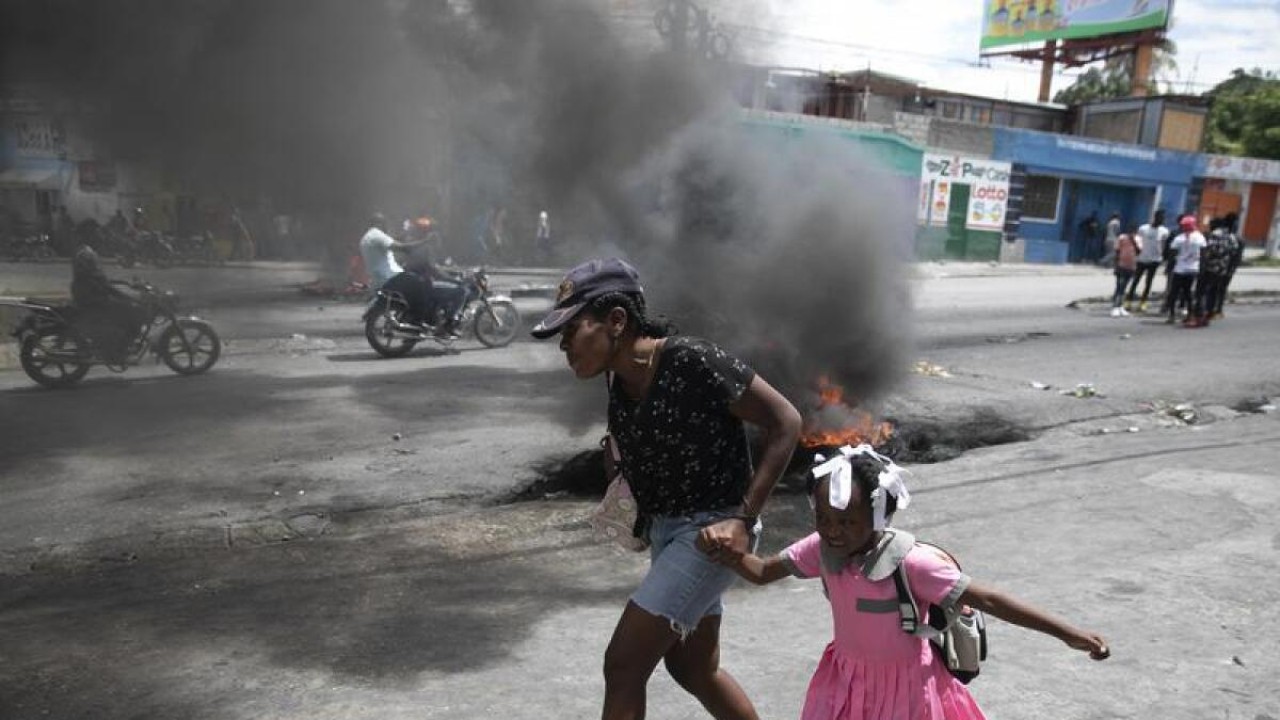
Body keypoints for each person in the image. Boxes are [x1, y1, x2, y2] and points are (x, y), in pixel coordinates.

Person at [530, 257, 803, 720]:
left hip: (711, 537)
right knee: (693, 667)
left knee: (623, 664)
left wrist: (742, 518)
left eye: (572, 330)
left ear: (616, 320)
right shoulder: (619, 381)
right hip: (668, 534)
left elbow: (786, 422)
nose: (565, 346)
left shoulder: (691, 360)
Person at [706, 445, 1110, 720]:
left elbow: (990, 599)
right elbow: (760, 573)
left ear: (880, 516)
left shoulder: (912, 563)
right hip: (846, 681)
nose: (833, 531)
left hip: (907, 689)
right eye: (824, 519)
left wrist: (1068, 634)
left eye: (847, 520)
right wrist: (725, 549)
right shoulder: (821, 550)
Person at [69, 245, 149, 363]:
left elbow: (106, 284)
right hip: (96, 306)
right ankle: (120, 350)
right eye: (92, 260)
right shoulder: (89, 276)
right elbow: (110, 289)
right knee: (132, 312)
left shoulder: (85, 275)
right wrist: (131, 298)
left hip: (92, 305)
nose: (95, 263)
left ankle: (119, 347)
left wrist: (124, 283)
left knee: (123, 308)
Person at [400, 216, 468, 338]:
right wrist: (452, 279)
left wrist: (449, 273)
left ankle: (438, 317)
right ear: (428, 233)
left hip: (415, 284)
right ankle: (448, 324)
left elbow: (433, 267)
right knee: (461, 291)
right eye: (433, 231)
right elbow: (434, 270)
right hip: (425, 285)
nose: (436, 234)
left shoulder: (413, 244)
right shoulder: (426, 247)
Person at [1167, 215, 1206, 326]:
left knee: (1174, 293)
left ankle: (1172, 315)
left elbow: (1172, 254)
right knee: (1189, 294)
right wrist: (1202, 269)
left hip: (1179, 269)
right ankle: (1190, 315)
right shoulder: (1200, 237)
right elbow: (1204, 255)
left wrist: (1169, 268)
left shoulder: (1179, 238)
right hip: (1193, 269)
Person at [1127, 210, 1167, 312]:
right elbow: (1137, 241)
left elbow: (1164, 244)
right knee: (1136, 280)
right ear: (1155, 217)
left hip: (1155, 260)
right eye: (1160, 218)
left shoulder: (1164, 231)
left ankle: (1143, 303)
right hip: (1142, 258)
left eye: (1163, 218)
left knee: (1148, 282)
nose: (1162, 220)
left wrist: (1162, 256)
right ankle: (1128, 301)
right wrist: (1136, 253)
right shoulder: (1143, 228)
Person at [1213, 213, 1244, 318]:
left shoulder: (1237, 239)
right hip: (1222, 267)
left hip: (1223, 268)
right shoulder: (1232, 238)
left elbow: (1237, 257)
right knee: (1218, 289)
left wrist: (1232, 268)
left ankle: (1217, 309)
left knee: (1219, 289)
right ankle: (1216, 309)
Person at [1109, 226, 1140, 317]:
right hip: (1121, 265)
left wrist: (1133, 240)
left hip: (1131, 266)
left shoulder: (1138, 239)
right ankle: (1115, 306)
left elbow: (1138, 251)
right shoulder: (1122, 238)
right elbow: (1117, 250)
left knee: (1124, 286)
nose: (1132, 233)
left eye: (1133, 231)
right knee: (1119, 286)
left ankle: (1120, 306)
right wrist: (1116, 264)